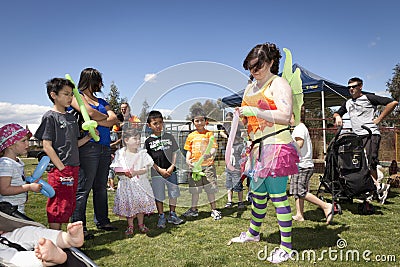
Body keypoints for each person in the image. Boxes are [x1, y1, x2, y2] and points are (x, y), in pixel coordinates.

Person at [230, 42, 299, 264]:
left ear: (270, 62)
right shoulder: (250, 87)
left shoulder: (278, 83)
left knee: (278, 198)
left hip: (277, 146)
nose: (253, 70)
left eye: (258, 65)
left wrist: (255, 110)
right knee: (258, 196)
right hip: (256, 148)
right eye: (250, 66)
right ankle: (253, 233)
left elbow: (285, 115)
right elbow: (248, 119)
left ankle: (286, 247)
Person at [34, 78, 93, 230]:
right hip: (60, 169)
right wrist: (61, 167)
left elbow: (74, 144)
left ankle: (63, 241)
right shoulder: (50, 117)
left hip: (73, 167)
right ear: (54, 95)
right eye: (66, 94)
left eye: (71, 94)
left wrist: (87, 138)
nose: (70, 98)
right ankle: (55, 239)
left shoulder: (71, 118)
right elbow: (47, 146)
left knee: (68, 204)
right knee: (57, 204)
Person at [70, 68, 118, 239]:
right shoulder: (76, 96)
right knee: (84, 187)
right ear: (91, 81)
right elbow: (88, 113)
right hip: (89, 146)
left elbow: (115, 120)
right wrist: (105, 119)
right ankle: (78, 226)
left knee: (100, 187)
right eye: (98, 81)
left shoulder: (102, 100)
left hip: (105, 146)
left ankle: (102, 220)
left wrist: (100, 120)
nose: (101, 85)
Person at [333, 77, 398, 202]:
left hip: (370, 134)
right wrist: (337, 117)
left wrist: (379, 119)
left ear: (360, 86)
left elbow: (393, 103)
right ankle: (375, 189)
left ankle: (376, 189)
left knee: (370, 163)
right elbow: (337, 113)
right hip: (357, 137)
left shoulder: (368, 98)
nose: (351, 89)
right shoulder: (348, 103)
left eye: (354, 86)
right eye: (349, 87)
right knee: (360, 164)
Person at [289, 106, 333, 224]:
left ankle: (325, 206)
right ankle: (299, 214)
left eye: (290, 116)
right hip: (300, 165)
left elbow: (299, 144)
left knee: (300, 191)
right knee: (296, 191)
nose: (288, 119)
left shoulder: (299, 128)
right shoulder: (299, 128)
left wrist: (286, 147)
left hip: (303, 166)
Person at [111, 128, 156, 235]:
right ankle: (130, 225)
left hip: (140, 183)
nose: (138, 141)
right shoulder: (120, 153)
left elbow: (146, 168)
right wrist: (123, 172)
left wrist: (136, 172)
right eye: (135, 138)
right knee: (129, 204)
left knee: (140, 204)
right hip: (126, 185)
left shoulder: (142, 153)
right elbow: (116, 169)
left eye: (139, 138)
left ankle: (141, 224)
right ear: (126, 140)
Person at [145, 110, 184, 229]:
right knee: (159, 195)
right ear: (149, 125)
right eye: (155, 123)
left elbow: (175, 153)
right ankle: (161, 216)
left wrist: (172, 166)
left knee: (173, 193)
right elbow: (148, 159)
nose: (158, 126)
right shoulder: (148, 142)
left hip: (171, 171)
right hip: (157, 173)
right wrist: (160, 170)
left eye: (160, 123)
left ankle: (172, 214)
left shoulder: (169, 137)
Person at [182, 108, 222, 220]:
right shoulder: (191, 136)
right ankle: (193, 209)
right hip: (195, 167)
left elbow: (214, 148)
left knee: (210, 189)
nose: (199, 123)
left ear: (206, 121)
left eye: (201, 120)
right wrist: (188, 160)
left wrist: (210, 154)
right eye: (197, 121)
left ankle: (214, 209)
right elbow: (188, 150)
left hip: (208, 167)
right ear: (193, 122)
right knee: (195, 190)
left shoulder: (209, 134)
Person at [0, 219, 84, 267]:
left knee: (28, 232)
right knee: (16, 259)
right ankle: (48, 259)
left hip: (4, 238)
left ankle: (67, 238)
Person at [0, 124, 42, 213]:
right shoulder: (6, 164)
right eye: (23, 141)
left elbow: (15, 182)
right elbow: (4, 189)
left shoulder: (16, 162)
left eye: (28, 140)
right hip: (8, 210)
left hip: (17, 208)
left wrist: (29, 182)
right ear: (10, 145)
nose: (28, 143)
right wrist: (28, 187)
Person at [220, 112, 246, 210]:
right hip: (229, 167)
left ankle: (240, 201)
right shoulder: (225, 126)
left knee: (238, 184)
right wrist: (228, 137)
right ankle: (229, 201)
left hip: (236, 168)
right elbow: (221, 132)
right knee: (229, 184)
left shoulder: (238, 125)